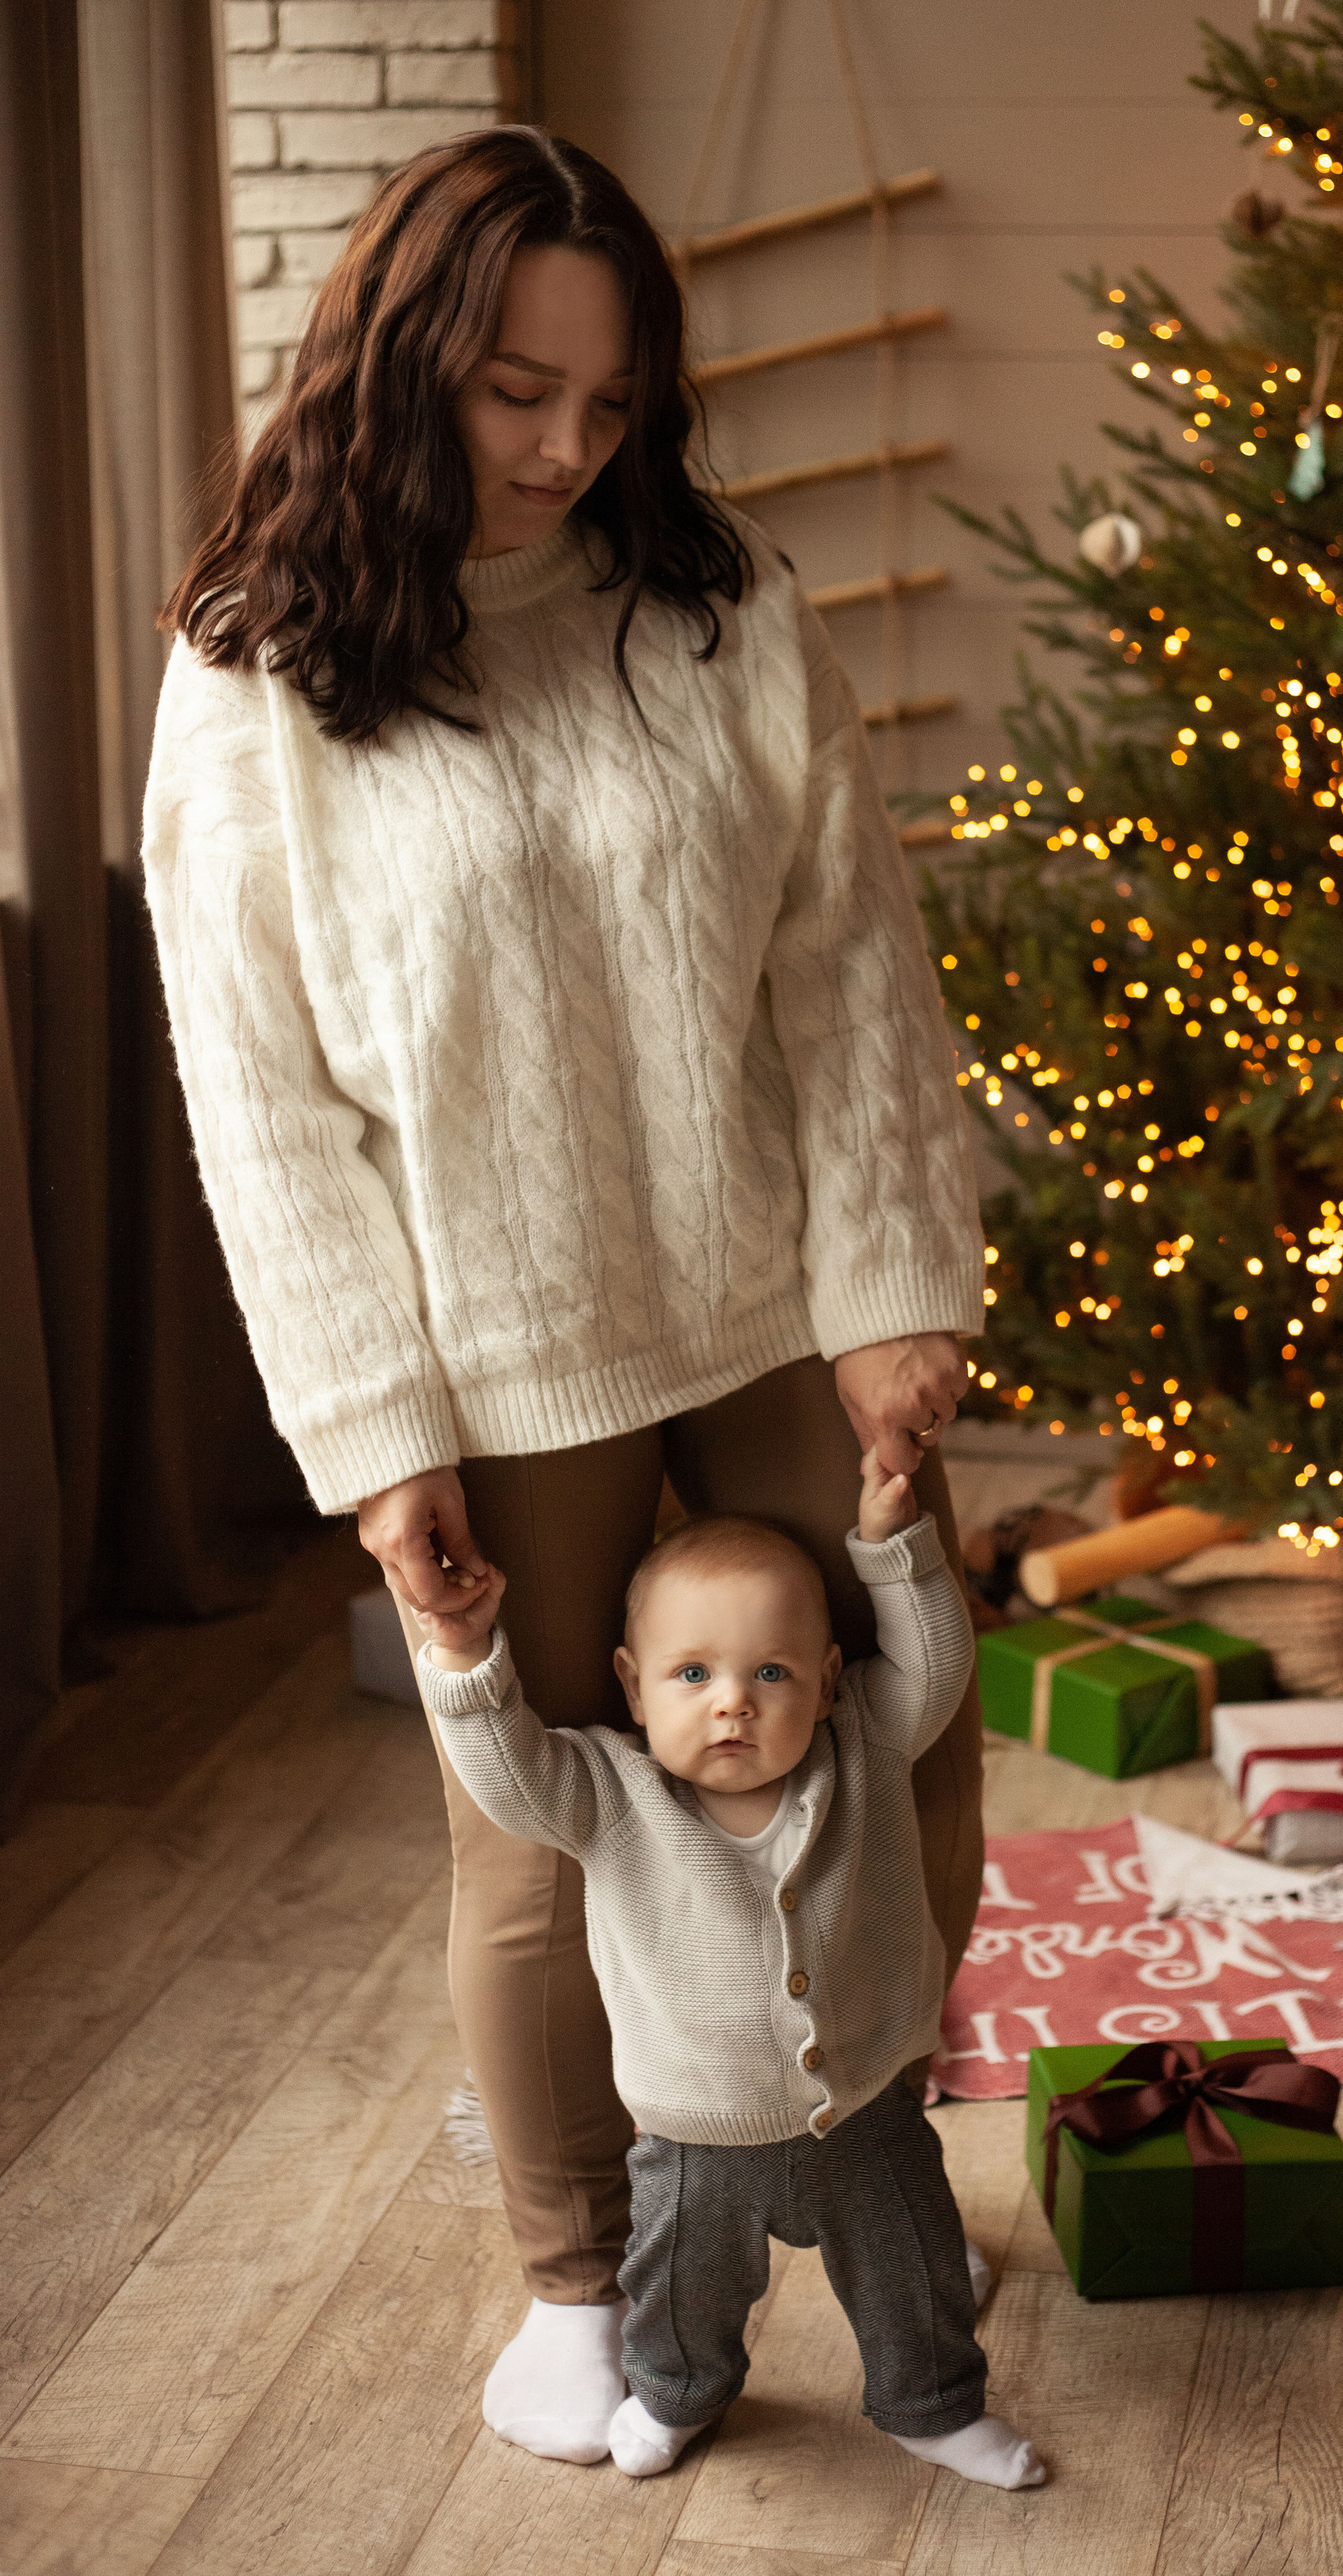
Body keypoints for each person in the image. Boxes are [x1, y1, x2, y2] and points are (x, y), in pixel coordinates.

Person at [142, 126, 986, 2464]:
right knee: (549, 1830)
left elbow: (846, 970)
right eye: (514, 391)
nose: (562, 450)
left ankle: (860, 2156)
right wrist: (377, 1436)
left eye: (609, 405)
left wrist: (896, 1279)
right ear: (399, 364)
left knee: (907, 1735)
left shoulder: (714, 606)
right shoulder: (259, 682)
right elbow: (265, 1098)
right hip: (499, 1353)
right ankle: (576, 2283)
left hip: (766, 1290)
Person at [409, 1452, 1045, 2490]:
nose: (733, 1705)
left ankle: (932, 2407)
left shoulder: (865, 1750)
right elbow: (508, 1779)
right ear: (633, 1684)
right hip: (694, 2136)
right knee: (678, 2297)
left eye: (772, 1674)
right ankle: (674, 2398)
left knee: (914, 2280)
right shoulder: (610, 1794)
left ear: (828, 1681)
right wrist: (466, 1658)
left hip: (867, 2115)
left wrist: (897, 1547)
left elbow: (933, 1664)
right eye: (693, 1675)